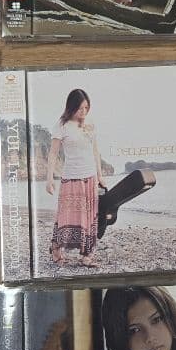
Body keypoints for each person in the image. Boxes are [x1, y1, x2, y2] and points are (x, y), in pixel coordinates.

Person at [45, 89, 107, 268]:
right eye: (80, 108)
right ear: (71, 107)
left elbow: (95, 151)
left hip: (90, 177)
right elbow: (53, 154)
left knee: (89, 217)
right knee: (66, 216)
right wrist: (49, 179)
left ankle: (87, 255)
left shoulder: (90, 124)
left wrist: (100, 176)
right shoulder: (62, 125)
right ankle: (56, 247)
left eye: (86, 108)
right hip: (71, 178)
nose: (84, 112)